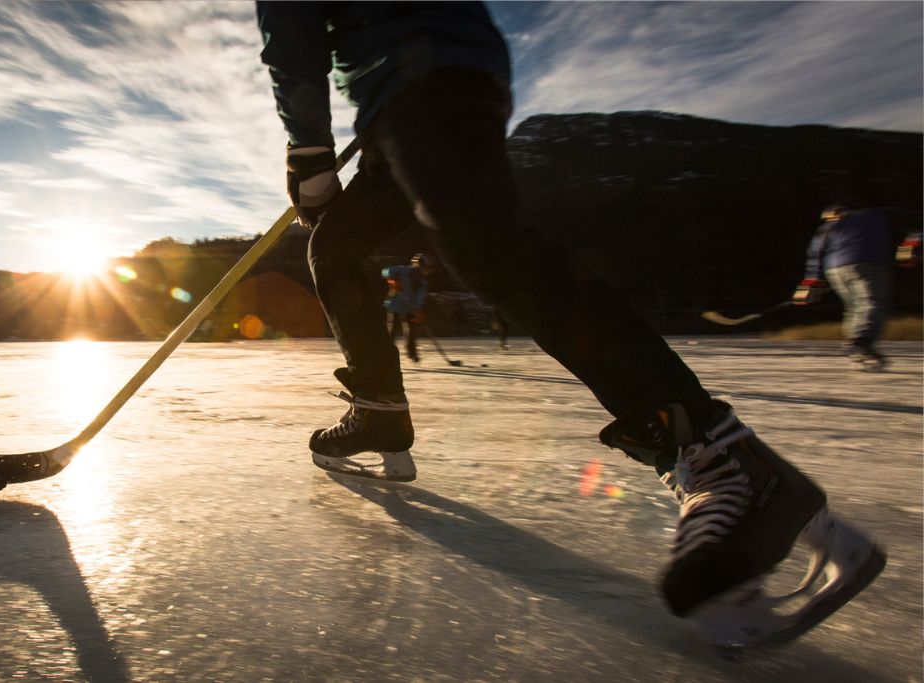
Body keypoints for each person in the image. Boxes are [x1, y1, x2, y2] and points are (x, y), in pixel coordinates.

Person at [256, 1, 884, 645]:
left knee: (484, 248)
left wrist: (308, 147)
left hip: (425, 69)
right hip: (410, 80)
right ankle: (379, 406)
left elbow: (290, 23)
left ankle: (719, 455)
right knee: (334, 246)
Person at [795, 203, 895, 370]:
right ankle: (861, 342)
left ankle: (855, 345)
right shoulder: (872, 215)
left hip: (835, 269)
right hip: (866, 264)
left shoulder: (828, 227)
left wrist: (811, 280)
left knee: (853, 307)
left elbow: (816, 253)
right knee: (871, 302)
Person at [382, 253, 436, 362]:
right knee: (392, 330)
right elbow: (385, 271)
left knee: (411, 331)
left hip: (410, 308)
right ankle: (387, 352)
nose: (428, 272)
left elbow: (420, 297)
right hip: (395, 305)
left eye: (430, 270)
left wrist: (418, 309)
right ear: (418, 265)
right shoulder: (403, 271)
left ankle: (412, 354)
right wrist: (393, 280)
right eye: (427, 269)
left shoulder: (422, 282)